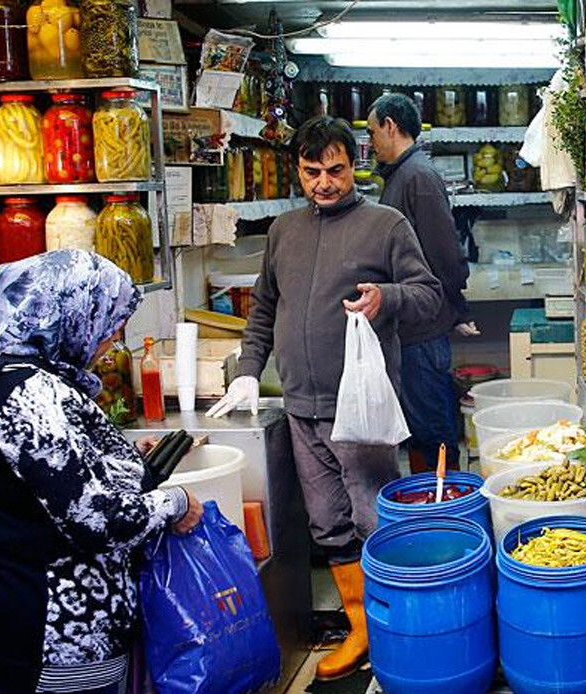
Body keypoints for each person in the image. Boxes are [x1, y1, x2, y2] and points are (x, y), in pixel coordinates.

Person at [206, 116, 442, 681]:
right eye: (312, 172)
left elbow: (429, 296)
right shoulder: (284, 231)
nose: (325, 183)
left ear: (354, 163)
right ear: (299, 171)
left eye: (335, 170)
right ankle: (361, 630)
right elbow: (263, 308)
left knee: (372, 518)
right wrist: (246, 371)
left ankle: (397, 627)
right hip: (299, 407)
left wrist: (385, 297)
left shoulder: (385, 224)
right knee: (327, 525)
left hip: (359, 409)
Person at [0, 250, 203, 694]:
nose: (112, 340)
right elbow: (99, 520)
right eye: (109, 326)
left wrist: (119, 462)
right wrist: (175, 503)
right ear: (70, 314)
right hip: (45, 623)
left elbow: (27, 475)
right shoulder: (29, 393)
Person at [368, 93, 475, 474]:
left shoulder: (418, 177)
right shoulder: (401, 175)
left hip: (423, 328)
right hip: (409, 326)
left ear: (390, 127)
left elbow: (444, 250)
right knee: (420, 427)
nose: (371, 141)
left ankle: (446, 509)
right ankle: (427, 503)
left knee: (433, 429)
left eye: (373, 131)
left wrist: (457, 306)